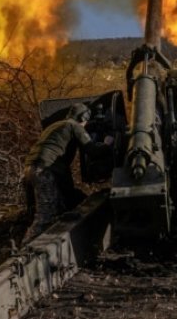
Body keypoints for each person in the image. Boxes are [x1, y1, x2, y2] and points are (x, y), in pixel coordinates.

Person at [21, 102, 110, 242]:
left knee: (60, 207)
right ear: (82, 117)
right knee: (46, 215)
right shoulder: (74, 126)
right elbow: (92, 150)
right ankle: (26, 248)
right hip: (45, 170)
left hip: (30, 168)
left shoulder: (55, 125)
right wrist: (107, 144)